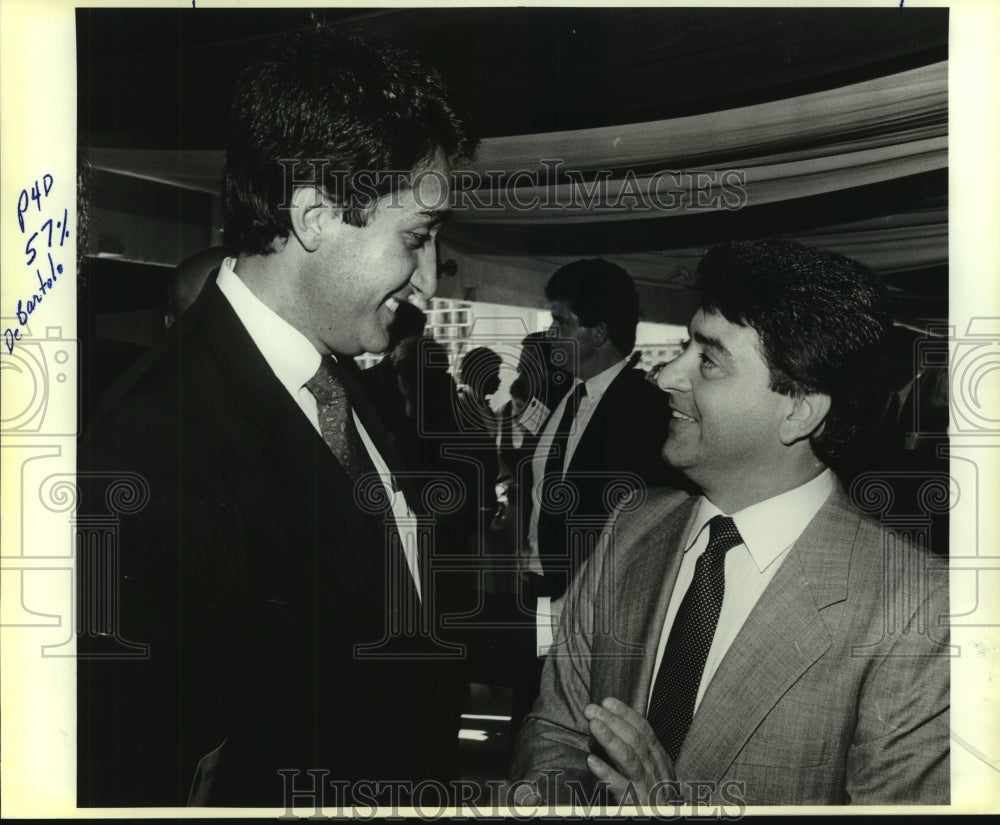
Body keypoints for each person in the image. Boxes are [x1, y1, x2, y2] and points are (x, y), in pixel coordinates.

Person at [77, 24, 474, 807]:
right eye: (416, 239)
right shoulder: (159, 441)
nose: (428, 278)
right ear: (316, 215)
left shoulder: (329, 375)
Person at [511, 240, 950, 807]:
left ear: (799, 409)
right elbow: (558, 731)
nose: (668, 375)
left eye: (709, 361)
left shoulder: (918, 607)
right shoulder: (633, 526)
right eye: (683, 346)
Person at [511, 259, 686, 748]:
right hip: (540, 592)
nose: (550, 335)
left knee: (578, 739)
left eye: (561, 323)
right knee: (534, 726)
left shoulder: (645, 411)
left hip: (592, 608)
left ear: (598, 332)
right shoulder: (565, 398)